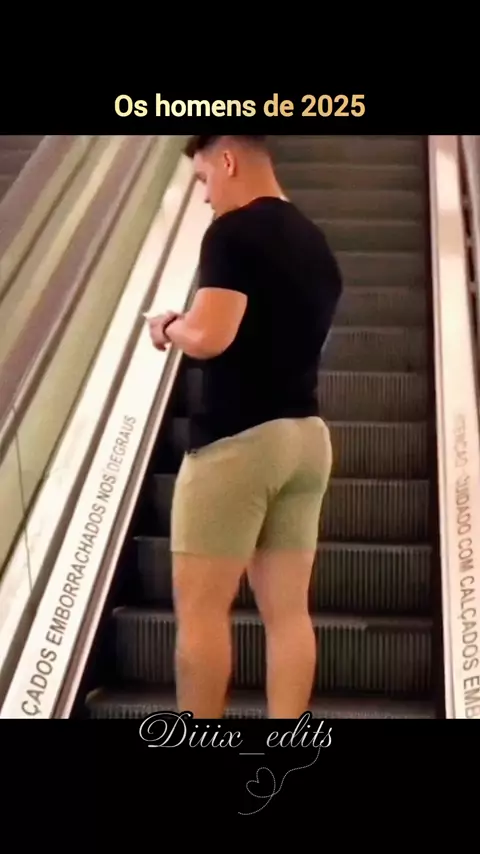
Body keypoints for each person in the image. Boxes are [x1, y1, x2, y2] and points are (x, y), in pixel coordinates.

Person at [147, 135, 342, 718]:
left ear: (228, 160)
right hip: (306, 440)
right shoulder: (316, 243)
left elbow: (211, 336)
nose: (206, 196)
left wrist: (169, 326)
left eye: (204, 178)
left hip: (238, 443)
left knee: (202, 611)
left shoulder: (233, 232)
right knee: (289, 614)